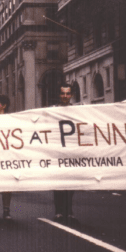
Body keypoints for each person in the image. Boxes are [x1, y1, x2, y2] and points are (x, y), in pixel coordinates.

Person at [51, 84, 78, 221]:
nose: (65, 96)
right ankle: (59, 210)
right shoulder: (53, 110)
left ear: (71, 95)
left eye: (68, 94)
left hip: (71, 151)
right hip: (57, 151)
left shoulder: (77, 110)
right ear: (59, 95)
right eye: (63, 93)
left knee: (71, 182)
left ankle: (69, 209)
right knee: (59, 182)